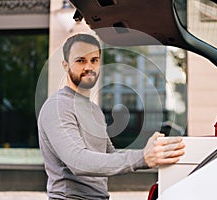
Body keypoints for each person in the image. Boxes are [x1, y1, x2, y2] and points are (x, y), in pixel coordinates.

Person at [38, 33, 185, 200]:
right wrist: (142, 158)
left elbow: (110, 155)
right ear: (65, 65)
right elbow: (77, 161)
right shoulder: (57, 106)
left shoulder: (94, 110)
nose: (89, 67)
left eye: (94, 60)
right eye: (80, 60)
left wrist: (153, 152)